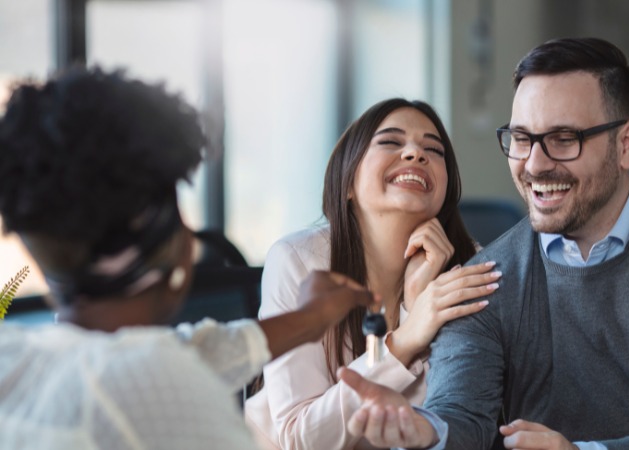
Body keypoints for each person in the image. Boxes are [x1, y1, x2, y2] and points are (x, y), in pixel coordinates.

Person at [339, 37, 629, 449]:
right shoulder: (486, 279)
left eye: (563, 139)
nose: (534, 164)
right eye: (521, 139)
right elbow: (462, 416)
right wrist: (423, 430)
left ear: (625, 145)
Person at [0, 67, 377, 449]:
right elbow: (163, 373)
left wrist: (309, 320)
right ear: (166, 240)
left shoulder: (14, 358)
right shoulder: (164, 395)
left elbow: (189, 354)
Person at [244, 98, 501, 449]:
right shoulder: (297, 260)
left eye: (433, 149)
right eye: (391, 142)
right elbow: (301, 438)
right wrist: (407, 337)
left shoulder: (471, 267)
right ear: (347, 182)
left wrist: (415, 301)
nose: (415, 153)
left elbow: (453, 423)